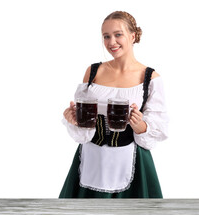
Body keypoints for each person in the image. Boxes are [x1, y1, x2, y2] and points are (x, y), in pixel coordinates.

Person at [59, 11, 168, 198]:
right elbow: (83, 124)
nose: (111, 42)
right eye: (106, 36)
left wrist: (140, 125)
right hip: (90, 159)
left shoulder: (150, 78)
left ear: (132, 36)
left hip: (133, 160)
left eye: (118, 35)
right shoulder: (93, 71)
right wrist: (74, 119)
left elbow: (157, 126)